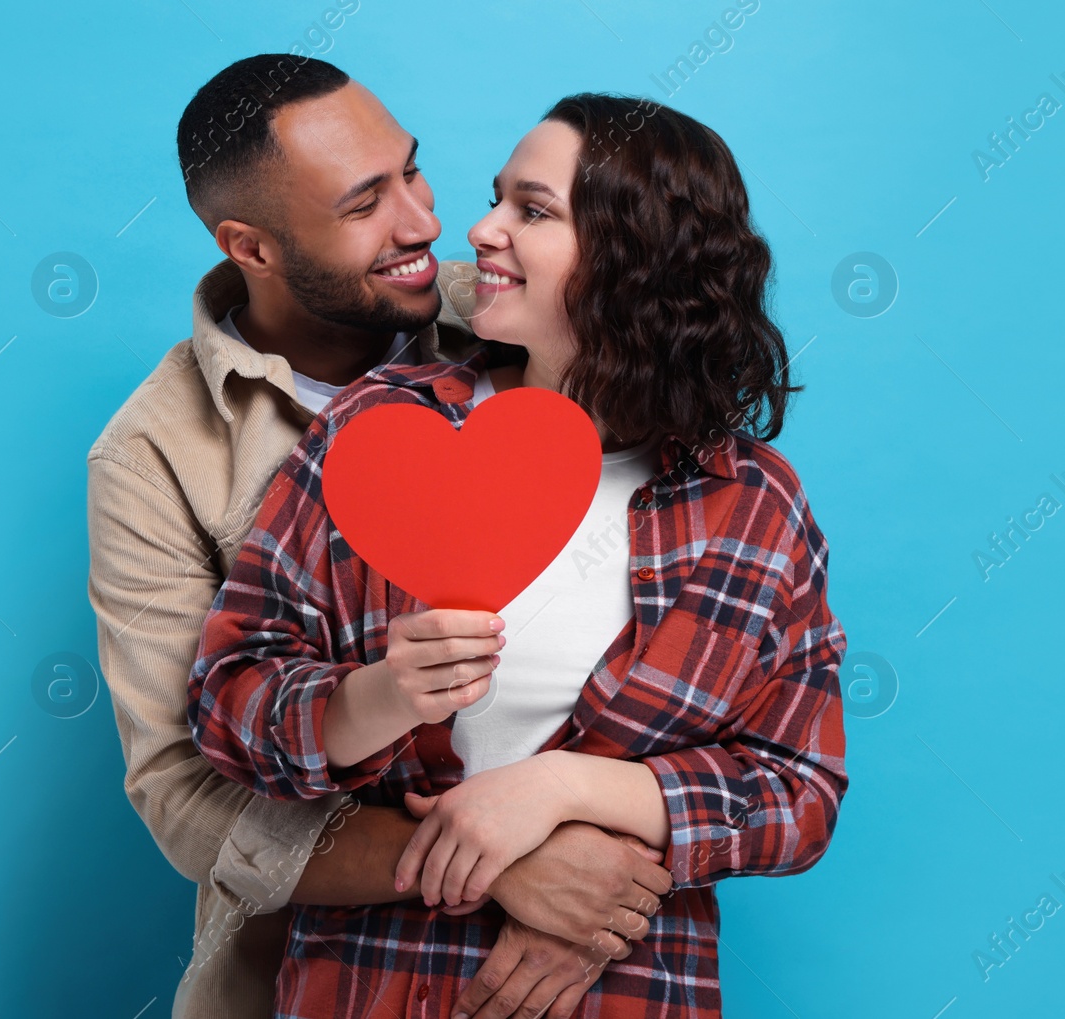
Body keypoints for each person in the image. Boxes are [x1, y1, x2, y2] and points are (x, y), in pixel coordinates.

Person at [190, 93, 849, 1018]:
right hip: (369, 983)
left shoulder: (751, 506)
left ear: (633, 254)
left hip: (620, 991)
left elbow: (798, 789)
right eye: (497, 198)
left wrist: (557, 788)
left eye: (531, 211)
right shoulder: (379, 430)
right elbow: (224, 705)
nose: (479, 229)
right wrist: (376, 695)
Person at [88, 58, 674, 1019]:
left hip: (597, 975)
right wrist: (497, 858)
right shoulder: (152, 456)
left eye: (414, 171)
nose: (425, 224)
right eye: (366, 203)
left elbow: (712, 592)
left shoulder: (525, 300)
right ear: (254, 246)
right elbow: (186, 798)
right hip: (307, 979)